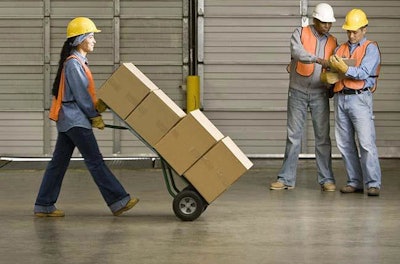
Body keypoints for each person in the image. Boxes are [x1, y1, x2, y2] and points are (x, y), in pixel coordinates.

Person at [34, 17, 139, 217]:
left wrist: (97, 106)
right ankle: (118, 201)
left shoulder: (77, 62)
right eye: (91, 36)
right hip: (75, 120)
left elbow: (81, 94)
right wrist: (94, 115)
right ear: (80, 39)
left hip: (70, 120)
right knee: (95, 161)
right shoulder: (74, 64)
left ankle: (43, 205)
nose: (94, 40)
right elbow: (81, 95)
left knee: (58, 163)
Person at [270, 3, 337, 191]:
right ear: (315, 20)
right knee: (293, 137)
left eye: (329, 23)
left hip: (320, 93)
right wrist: (317, 59)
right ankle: (285, 179)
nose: (326, 26)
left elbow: (336, 65)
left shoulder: (333, 41)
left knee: (323, 138)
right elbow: (297, 52)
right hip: (297, 92)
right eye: (323, 23)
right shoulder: (300, 33)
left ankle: (327, 180)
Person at [329, 9, 382, 196]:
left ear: (364, 29)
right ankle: (354, 182)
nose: (351, 35)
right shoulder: (339, 49)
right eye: (349, 31)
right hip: (340, 98)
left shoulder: (371, 48)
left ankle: (373, 183)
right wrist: (329, 74)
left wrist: (345, 68)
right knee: (344, 144)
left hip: (360, 98)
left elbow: (364, 72)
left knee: (366, 143)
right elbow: (333, 73)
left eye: (355, 31)